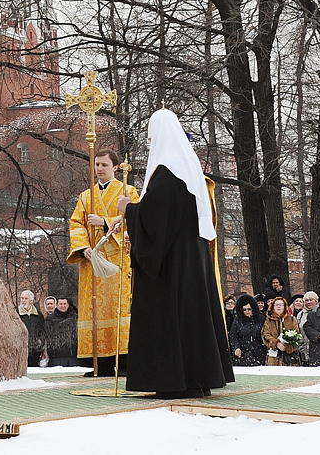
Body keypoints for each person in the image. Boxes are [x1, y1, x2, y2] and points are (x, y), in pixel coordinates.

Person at [118, 108, 233, 398]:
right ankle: (197, 377)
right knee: (192, 315)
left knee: (172, 314)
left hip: (172, 262)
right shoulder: (188, 167)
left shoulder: (166, 172)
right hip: (193, 256)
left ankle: (173, 380)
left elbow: (157, 219)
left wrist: (129, 210)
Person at [67, 149, 138, 377]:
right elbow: (76, 223)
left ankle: (126, 362)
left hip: (119, 262)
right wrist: (83, 247)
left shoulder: (128, 191)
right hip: (93, 262)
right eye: (96, 164)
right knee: (96, 309)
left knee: (119, 309)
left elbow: (136, 219)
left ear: (115, 167)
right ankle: (102, 364)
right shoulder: (85, 196)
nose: (99, 169)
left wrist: (105, 222)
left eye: (104, 165)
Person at [228, 294, 266, 366]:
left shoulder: (261, 319)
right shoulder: (237, 321)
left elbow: (265, 333)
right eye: (244, 310)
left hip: (259, 352)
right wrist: (236, 348)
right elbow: (233, 336)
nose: (247, 311)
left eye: (249, 309)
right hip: (244, 354)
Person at [262, 296, 300, 366]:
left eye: (281, 305)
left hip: (289, 357)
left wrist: (289, 346)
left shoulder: (292, 319)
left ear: (285, 306)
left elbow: (297, 335)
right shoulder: (268, 320)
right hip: (273, 357)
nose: (278, 307)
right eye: (276, 305)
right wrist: (275, 343)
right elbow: (265, 335)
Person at [17, 290, 45, 368]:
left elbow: (43, 331)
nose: (23, 300)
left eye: (26, 298)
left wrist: (40, 343)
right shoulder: (16, 313)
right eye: (22, 298)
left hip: (34, 351)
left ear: (31, 301)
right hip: (20, 350)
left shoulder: (38, 315)